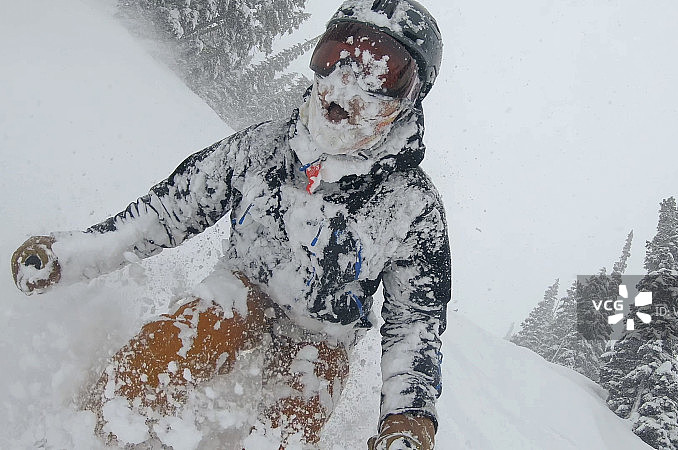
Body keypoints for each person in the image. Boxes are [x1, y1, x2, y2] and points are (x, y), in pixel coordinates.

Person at [10, 0, 449, 449]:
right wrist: (70, 258)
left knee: (288, 435)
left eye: (380, 71)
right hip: (242, 291)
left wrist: (407, 419)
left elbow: (416, 323)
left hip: (324, 334)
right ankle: (90, 435)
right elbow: (167, 212)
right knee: (156, 360)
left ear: (408, 99)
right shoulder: (262, 148)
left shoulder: (412, 209)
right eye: (335, 54)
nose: (343, 84)